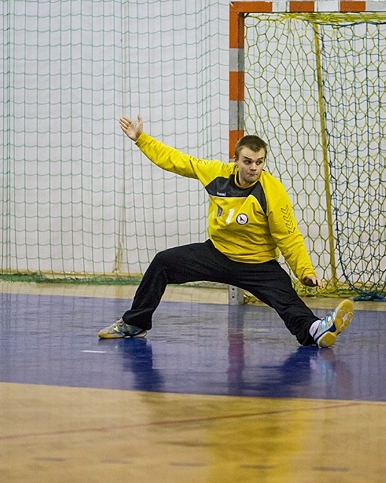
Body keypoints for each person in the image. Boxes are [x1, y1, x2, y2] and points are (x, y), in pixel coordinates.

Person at [98, 115, 354, 348]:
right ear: (236, 160)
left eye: (259, 162)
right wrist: (141, 139)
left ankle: (314, 330)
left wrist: (305, 271)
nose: (254, 168)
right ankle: (135, 324)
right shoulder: (216, 174)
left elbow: (289, 236)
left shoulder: (273, 191)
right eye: (248, 161)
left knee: (286, 299)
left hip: (257, 263)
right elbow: (177, 161)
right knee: (162, 263)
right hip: (217, 254)